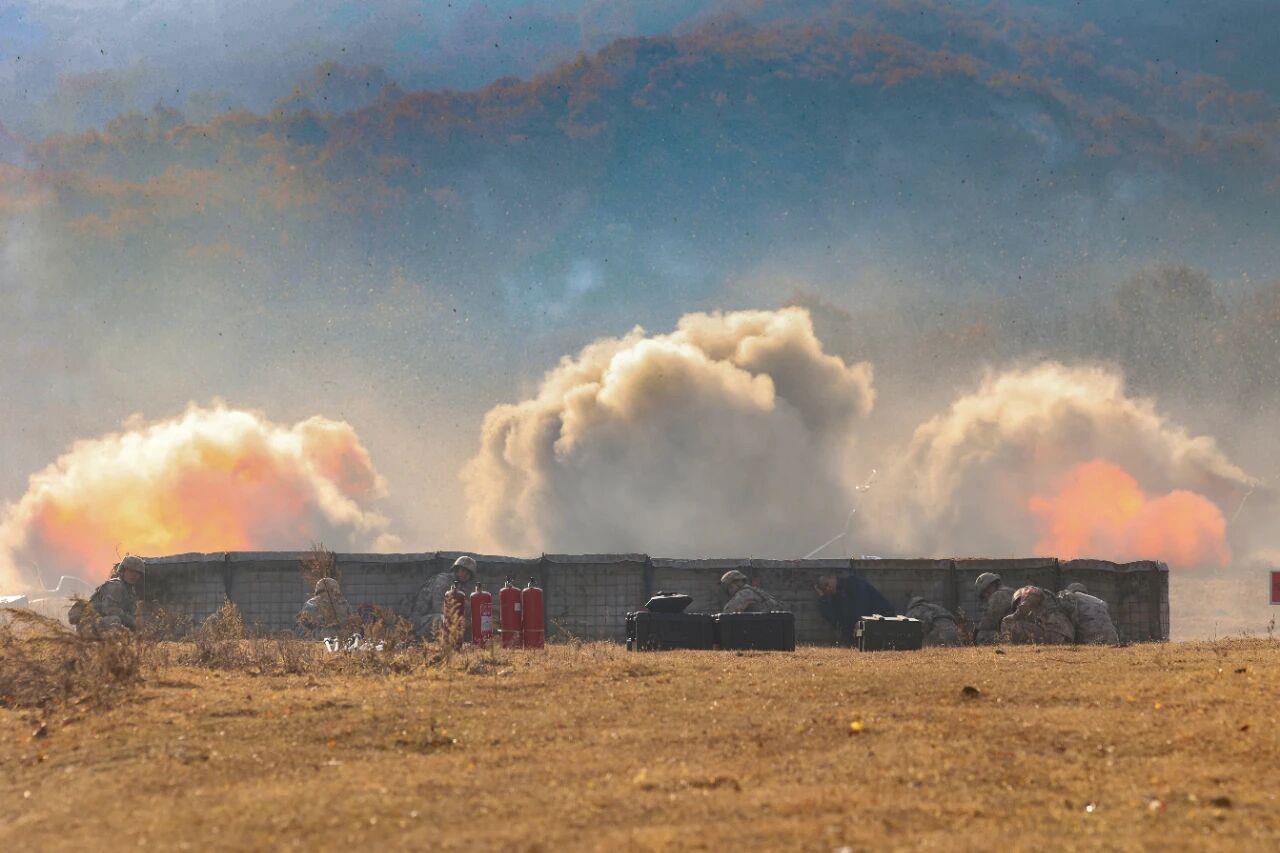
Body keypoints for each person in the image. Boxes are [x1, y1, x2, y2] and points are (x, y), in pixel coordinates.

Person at [74, 554, 145, 636]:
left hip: (100, 623)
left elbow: (131, 613)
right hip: (89, 623)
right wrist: (132, 621)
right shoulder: (115, 586)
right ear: (123, 571)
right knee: (115, 620)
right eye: (131, 571)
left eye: (137, 573)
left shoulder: (130, 592)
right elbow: (110, 610)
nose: (134, 575)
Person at [815, 573, 895, 645]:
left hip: (881, 620)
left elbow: (863, 603)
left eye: (827, 584)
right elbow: (834, 620)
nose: (828, 589)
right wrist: (822, 598)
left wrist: (860, 621)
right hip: (864, 629)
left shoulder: (853, 583)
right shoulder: (835, 598)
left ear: (833, 577)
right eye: (824, 589)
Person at [410, 555, 476, 638]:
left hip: (433, 619)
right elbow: (437, 606)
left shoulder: (459, 587)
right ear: (456, 569)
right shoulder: (443, 581)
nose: (465, 575)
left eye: (468, 573)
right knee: (444, 620)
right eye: (463, 570)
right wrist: (458, 617)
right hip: (421, 621)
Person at [999, 586, 1075, 645]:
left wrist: (1014, 616)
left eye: (1018, 605)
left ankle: (1007, 646)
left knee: (1007, 622)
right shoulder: (1048, 599)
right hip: (1066, 636)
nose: (1018, 607)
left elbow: (1025, 606)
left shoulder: (1029, 592)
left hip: (1056, 635)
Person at [973, 572, 1015, 645]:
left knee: (982, 636)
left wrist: (977, 629)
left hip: (1016, 633)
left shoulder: (998, 596)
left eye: (986, 592)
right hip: (1023, 630)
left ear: (992, 585)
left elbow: (989, 623)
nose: (986, 596)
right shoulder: (1010, 591)